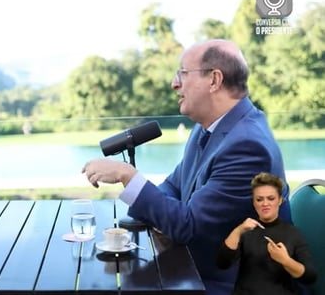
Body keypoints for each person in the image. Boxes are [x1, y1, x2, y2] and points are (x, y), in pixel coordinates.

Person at [81, 39, 292, 295]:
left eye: (182, 72)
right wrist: (169, 215)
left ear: (214, 80)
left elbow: (189, 228)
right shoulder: (208, 127)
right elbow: (174, 186)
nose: (174, 83)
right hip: (195, 271)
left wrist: (127, 176)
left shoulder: (247, 146)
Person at [216, 172, 316, 294]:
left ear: (280, 200)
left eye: (271, 198)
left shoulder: (293, 233)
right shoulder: (245, 231)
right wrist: (238, 231)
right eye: (259, 199)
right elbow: (222, 263)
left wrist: (285, 260)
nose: (265, 204)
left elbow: (310, 277)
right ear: (254, 202)